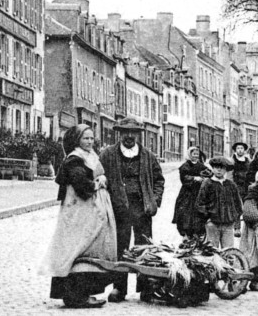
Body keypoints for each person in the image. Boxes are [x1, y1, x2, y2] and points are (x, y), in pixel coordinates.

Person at [42, 125, 116, 308]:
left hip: (89, 210)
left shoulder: (90, 155)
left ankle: (83, 293)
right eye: (85, 139)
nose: (89, 142)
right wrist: (98, 183)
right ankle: (76, 295)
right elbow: (81, 185)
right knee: (78, 246)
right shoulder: (75, 159)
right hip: (79, 211)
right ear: (77, 141)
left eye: (91, 138)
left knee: (88, 247)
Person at [100, 116, 165, 303]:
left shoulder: (147, 156)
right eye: (125, 132)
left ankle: (146, 289)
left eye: (133, 133)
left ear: (138, 135)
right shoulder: (108, 155)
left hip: (142, 209)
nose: (129, 136)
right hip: (119, 209)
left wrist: (154, 200)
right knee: (120, 248)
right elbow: (98, 176)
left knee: (144, 248)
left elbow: (159, 180)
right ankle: (119, 289)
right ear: (119, 134)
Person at [196, 157, 242, 249]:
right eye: (216, 167)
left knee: (228, 251)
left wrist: (236, 225)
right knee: (212, 250)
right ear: (212, 168)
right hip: (213, 224)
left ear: (226, 170)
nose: (219, 170)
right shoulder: (207, 183)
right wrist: (207, 218)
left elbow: (238, 205)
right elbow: (200, 203)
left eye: (222, 167)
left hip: (228, 225)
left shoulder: (231, 185)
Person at [173, 146, 211, 238]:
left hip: (199, 192)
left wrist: (205, 176)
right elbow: (184, 178)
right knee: (185, 212)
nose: (196, 156)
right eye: (194, 154)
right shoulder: (185, 166)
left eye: (197, 154)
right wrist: (194, 178)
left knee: (198, 212)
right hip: (187, 193)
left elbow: (209, 173)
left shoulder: (201, 165)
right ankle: (186, 233)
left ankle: (197, 233)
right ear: (189, 155)